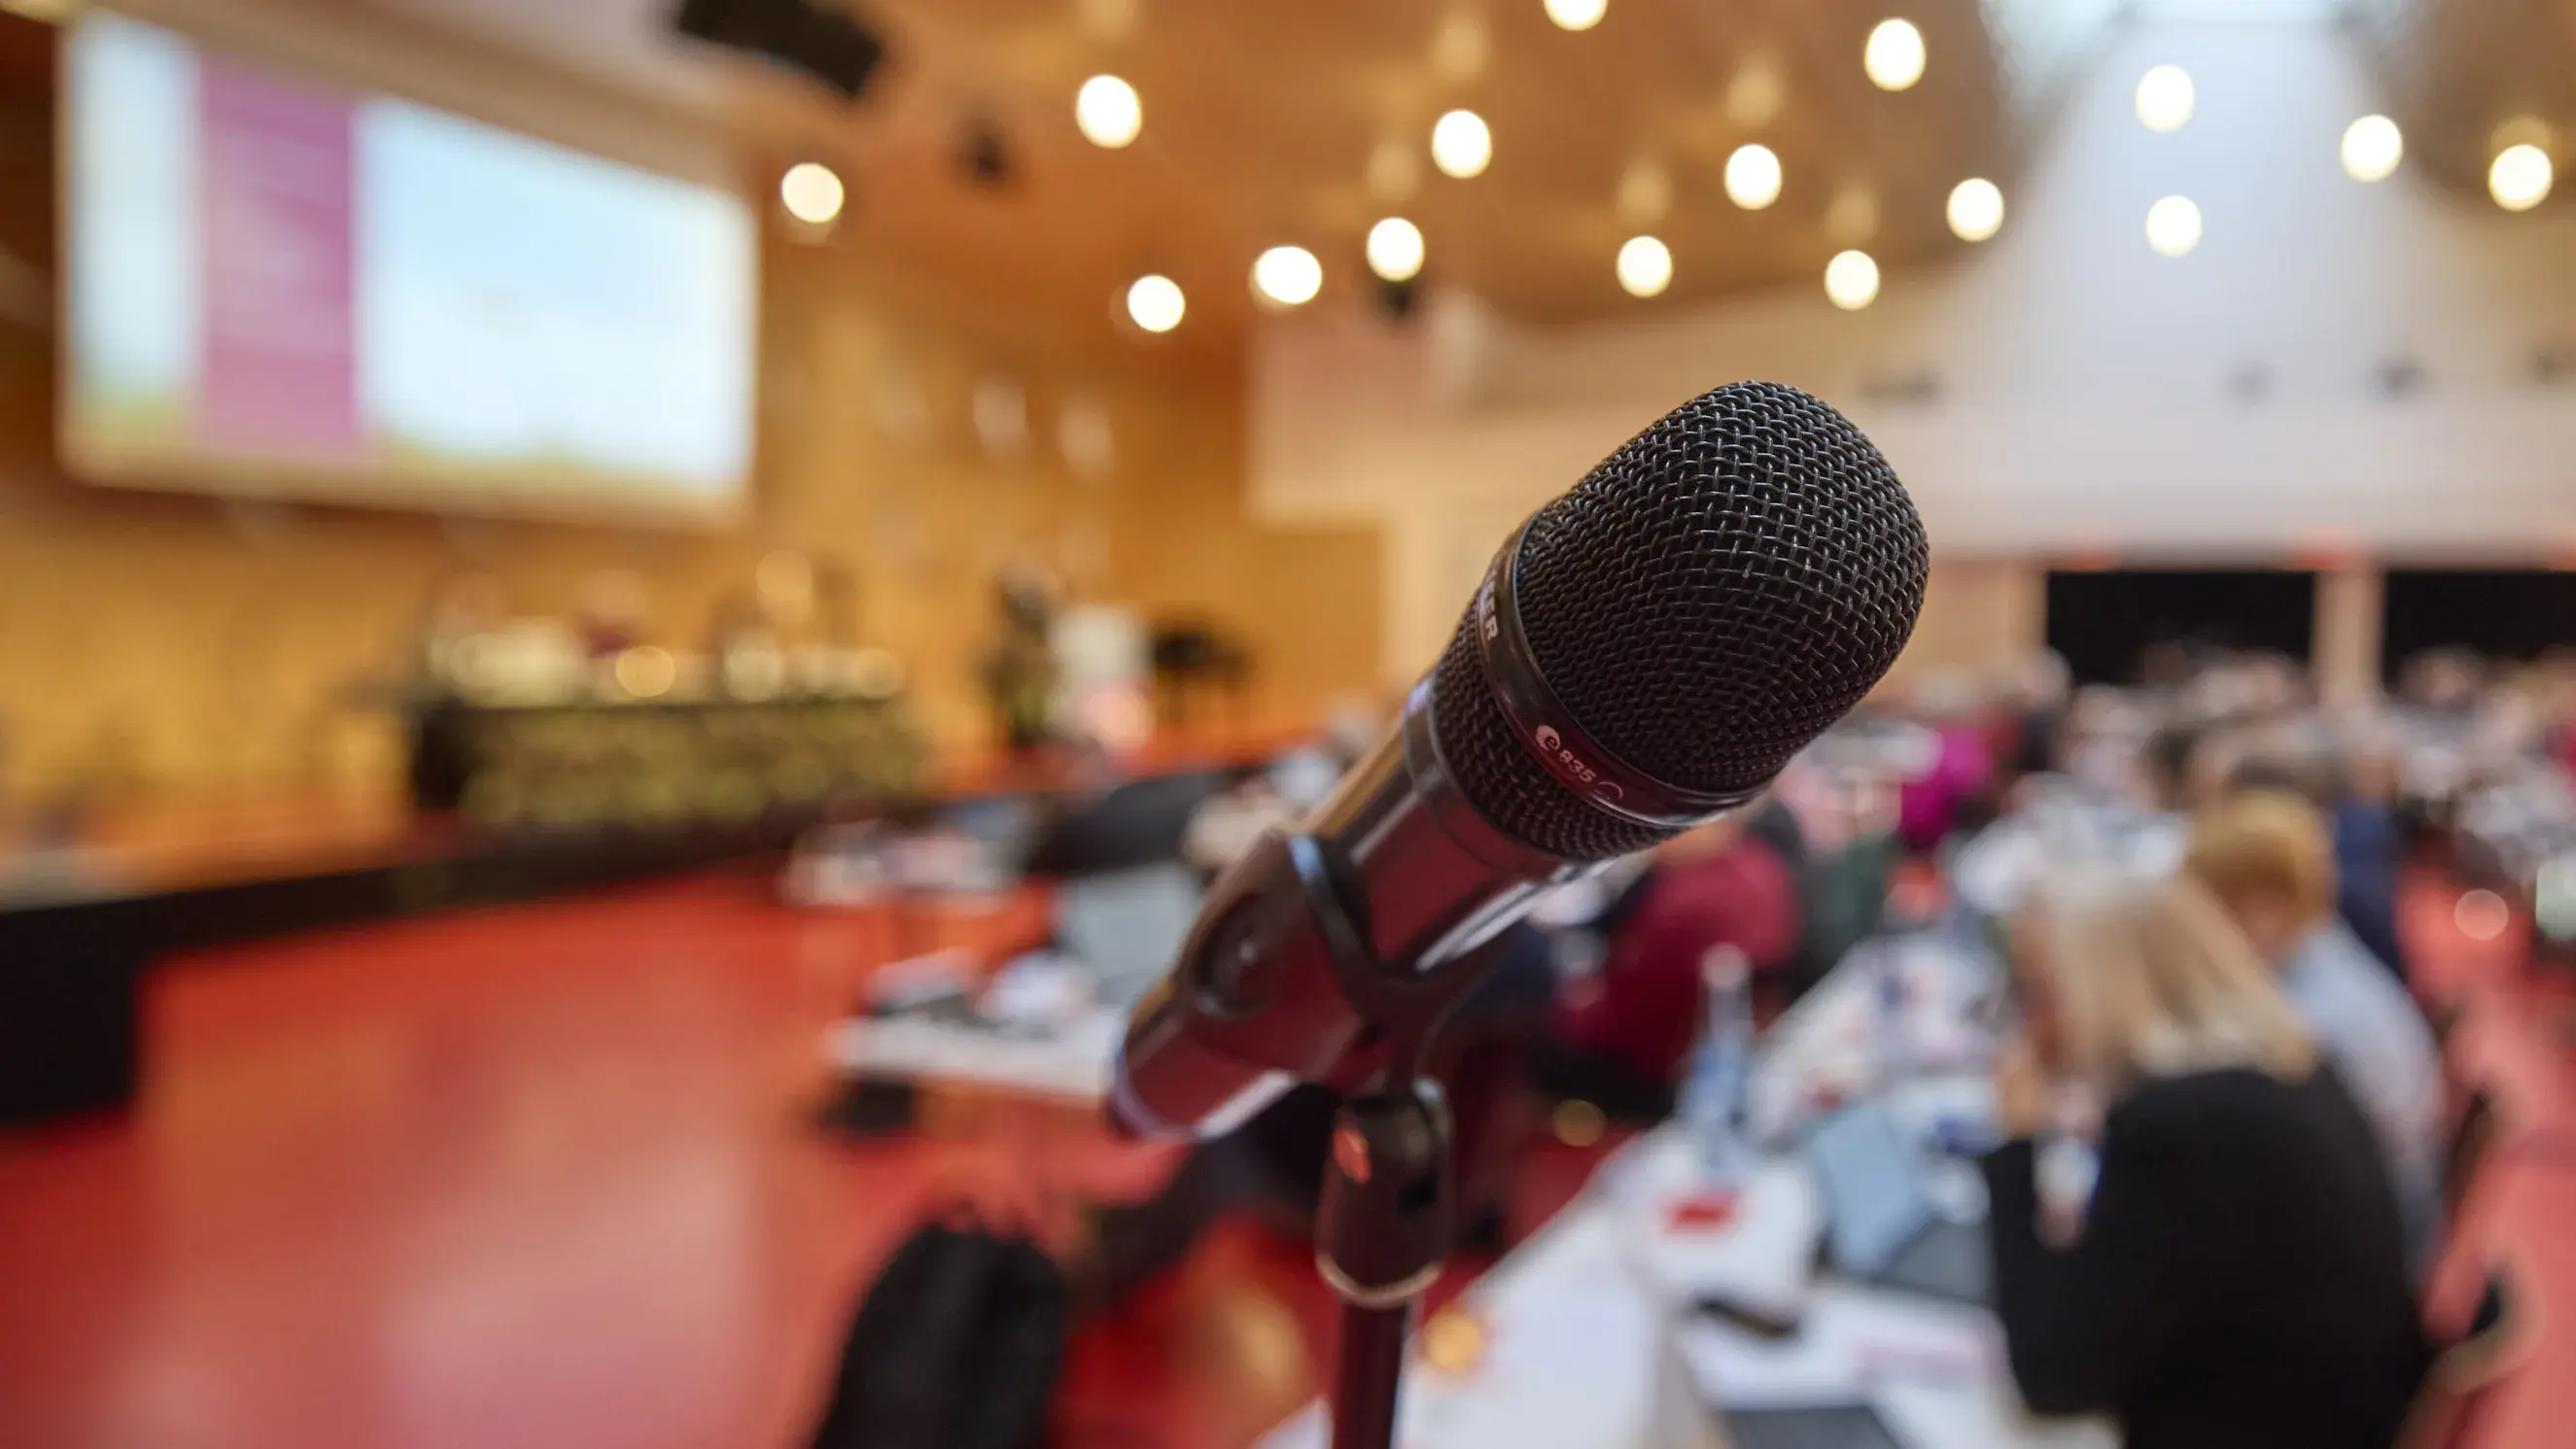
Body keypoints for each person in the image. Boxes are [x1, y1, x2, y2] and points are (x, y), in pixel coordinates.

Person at [1984, 872, 2428, 1449]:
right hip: (2339, 1405)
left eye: (2044, 992)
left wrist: (2017, 1142)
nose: (2039, 1021)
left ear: (2104, 991)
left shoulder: (2178, 1132)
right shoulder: (2288, 1064)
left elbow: (2049, 1375)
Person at [2181, 790, 2443, 1268]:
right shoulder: (2319, 950)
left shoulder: (2319, 1021)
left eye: (2213, 913)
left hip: (2360, 1247)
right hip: (2372, 1204)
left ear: (2267, 908)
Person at [1538, 812, 1800, 1120]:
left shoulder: (1686, 905)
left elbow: (1622, 1019)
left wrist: (1566, 1001)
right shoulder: (1761, 866)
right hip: (1699, 1056)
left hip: (1641, 1069)